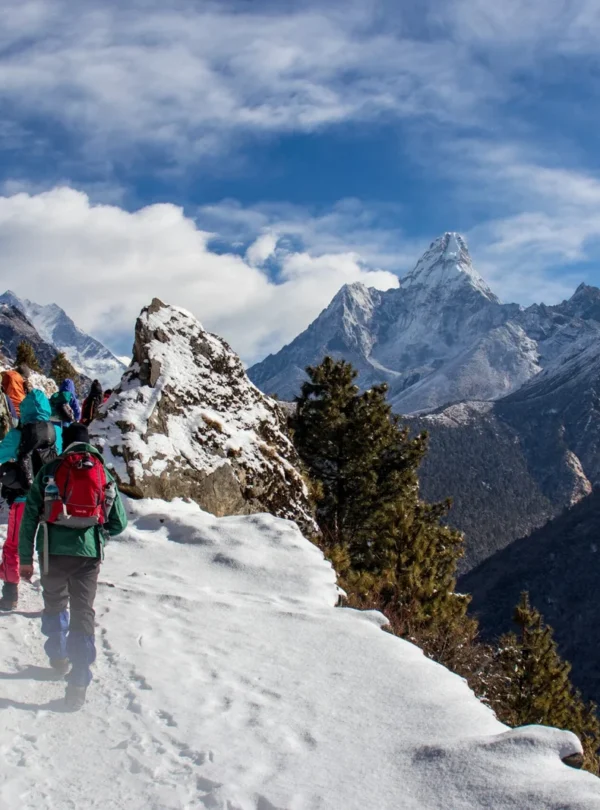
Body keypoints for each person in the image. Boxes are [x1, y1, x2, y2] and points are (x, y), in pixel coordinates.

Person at [19, 423, 128, 710]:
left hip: (52, 551)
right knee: (83, 613)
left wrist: (25, 559)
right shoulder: (102, 472)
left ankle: (58, 658)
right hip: (88, 555)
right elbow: (119, 523)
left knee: (55, 603)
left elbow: (29, 517)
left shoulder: (50, 471)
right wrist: (98, 532)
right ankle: (78, 684)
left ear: (64, 444)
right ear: (88, 443)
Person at [0, 389, 62, 610]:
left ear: (24, 410)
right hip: (50, 499)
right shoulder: (56, 432)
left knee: (13, 545)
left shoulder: (17, 434)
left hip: (22, 500)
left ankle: (10, 594)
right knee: (50, 546)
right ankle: (54, 598)